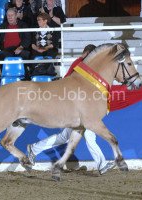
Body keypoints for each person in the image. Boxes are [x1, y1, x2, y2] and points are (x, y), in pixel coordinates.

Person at [27, 44, 115, 175]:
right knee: (89, 136)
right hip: (74, 106)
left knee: (64, 137)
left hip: (79, 107)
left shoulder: (84, 65)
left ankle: (34, 149)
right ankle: (102, 164)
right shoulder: (81, 65)